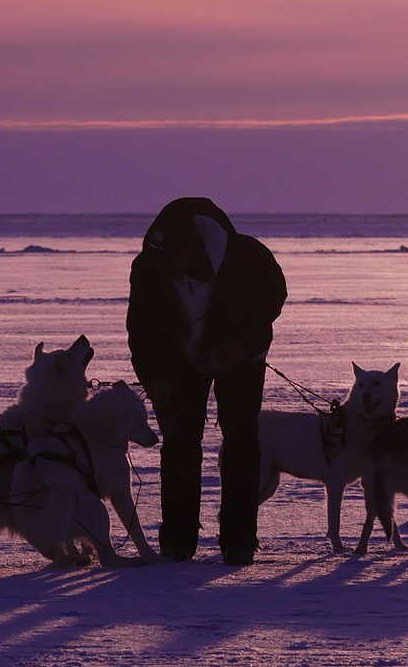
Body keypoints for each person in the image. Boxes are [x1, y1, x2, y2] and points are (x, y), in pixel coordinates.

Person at [128, 196, 287, 564]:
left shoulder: (247, 256)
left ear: (192, 245)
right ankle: (178, 542)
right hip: (180, 361)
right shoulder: (149, 267)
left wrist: (238, 346)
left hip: (241, 359)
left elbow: (271, 300)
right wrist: (154, 378)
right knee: (180, 441)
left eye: (172, 259)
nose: (165, 267)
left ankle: (239, 541)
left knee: (241, 440)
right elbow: (142, 328)